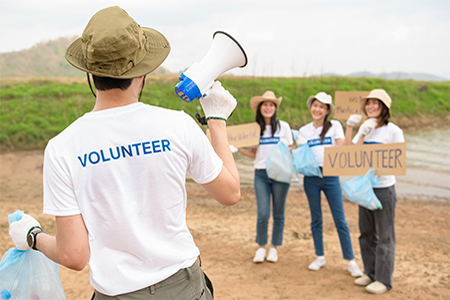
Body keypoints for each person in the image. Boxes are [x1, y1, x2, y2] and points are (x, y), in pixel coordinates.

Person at [8, 6, 241, 300]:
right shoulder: (178, 126)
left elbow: (74, 256)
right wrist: (216, 119)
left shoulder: (62, 147)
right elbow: (230, 193)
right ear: (142, 71)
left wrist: (33, 236)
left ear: (90, 74)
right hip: (185, 288)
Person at [297, 92, 363, 277]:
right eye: (315, 105)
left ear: (327, 111)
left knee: (340, 219)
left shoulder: (334, 126)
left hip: (331, 175)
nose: (317, 109)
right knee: (316, 218)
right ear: (311, 107)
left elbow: (344, 150)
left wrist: (350, 126)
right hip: (311, 178)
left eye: (322, 107)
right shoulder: (304, 130)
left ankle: (351, 261)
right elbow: (301, 159)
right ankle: (319, 256)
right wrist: (298, 146)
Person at [347, 89, 404, 295]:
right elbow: (352, 156)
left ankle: (384, 279)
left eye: (375, 104)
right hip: (365, 189)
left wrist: (375, 168)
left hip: (384, 189)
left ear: (384, 108)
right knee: (366, 233)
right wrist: (361, 132)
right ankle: (370, 273)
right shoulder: (367, 129)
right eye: (368, 103)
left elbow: (397, 160)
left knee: (384, 235)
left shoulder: (393, 131)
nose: (371, 107)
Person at [234, 91, 293, 264]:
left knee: (279, 212)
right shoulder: (254, 130)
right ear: (260, 108)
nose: (268, 108)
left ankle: (274, 247)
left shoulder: (284, 127)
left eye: (271, 105)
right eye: (265, 105)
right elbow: (255, 154)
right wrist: (237, 149)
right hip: (261, 173)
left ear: (275, 108)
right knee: (263, 213)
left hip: (281, 174)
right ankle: (261, 246)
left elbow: (289, 150)